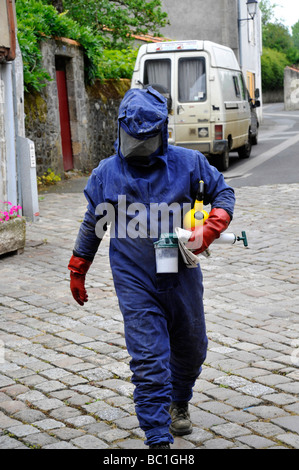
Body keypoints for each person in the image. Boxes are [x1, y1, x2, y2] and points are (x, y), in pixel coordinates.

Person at [68, 87, 235, 449]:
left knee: (193, 348)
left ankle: (179, 401)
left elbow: (224, 192)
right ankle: (157, 435)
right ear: (121, 130)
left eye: (148, 139)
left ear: (163, 131)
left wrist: (212, 226)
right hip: (134, 277)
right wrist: (78, 267)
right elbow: (92, 223)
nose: (140, 146)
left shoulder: (189, 164)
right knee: (148, 357)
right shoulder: (106, 175)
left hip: (180, 273)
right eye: (134, 139)